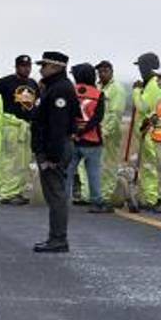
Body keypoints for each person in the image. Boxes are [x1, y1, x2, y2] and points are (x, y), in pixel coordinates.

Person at [32, 52, 79, 253]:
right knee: (53, 194)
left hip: (56, 148)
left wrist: (51, 156)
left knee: (56, 194)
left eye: (45, 65)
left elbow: (58, 126)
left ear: (57, 67)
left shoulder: (60, 89)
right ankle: (55, 237)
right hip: (53, 146)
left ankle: (58, 239)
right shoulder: (53, 86)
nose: (41, 68)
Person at [0, 55, 39, 205]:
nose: (26, 69)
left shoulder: (32, 83)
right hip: (11, 125)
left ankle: (18, 191)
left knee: (23, 161)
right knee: (10, 160)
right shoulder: (6, 82)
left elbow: (36, 103)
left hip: (26, 126)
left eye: (28, 66)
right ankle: (7, 193)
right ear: (16, 67)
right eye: (23, 66)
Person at [67, 63, 110, 214]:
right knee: (93, 173)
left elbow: (67, 115)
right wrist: (84, 130)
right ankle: (96, 202)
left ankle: (62, 202)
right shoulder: (98, 94)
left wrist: (75, 132)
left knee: (67, 172)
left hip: (72, 139)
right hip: (92, 140)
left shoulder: (70, 91)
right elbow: (98, 118)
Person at [131, 52, 161, 212]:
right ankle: (153, 197)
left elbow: (143, 107)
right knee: (152, 166)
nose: (140, 70)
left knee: (151, 167)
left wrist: (136, 91)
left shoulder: (153, 85)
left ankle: (153, 199)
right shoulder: (153, 82)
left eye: (141, 66)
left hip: (151, 132)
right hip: (151, 131)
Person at [96, 60, 127, 208]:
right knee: (99, 165)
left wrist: (106, 132)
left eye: (105, 71)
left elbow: (116, 114)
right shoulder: (98, 87)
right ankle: (99, 195)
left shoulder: (117, 89)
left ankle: (107, 197)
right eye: (100, 72)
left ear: (111, 71)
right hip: (98, 132)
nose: (102, 74)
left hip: (110, 133)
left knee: (109, 165)